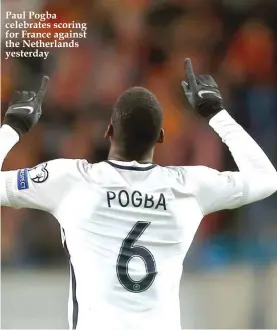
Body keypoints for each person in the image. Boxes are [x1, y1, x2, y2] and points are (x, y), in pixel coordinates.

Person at [0, 59, 276, 330]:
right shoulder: (188, 187)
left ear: (109, 131)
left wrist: (14, 126)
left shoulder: (71, 181)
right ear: (161, 136)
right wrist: (217, 113)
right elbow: (266, 179)